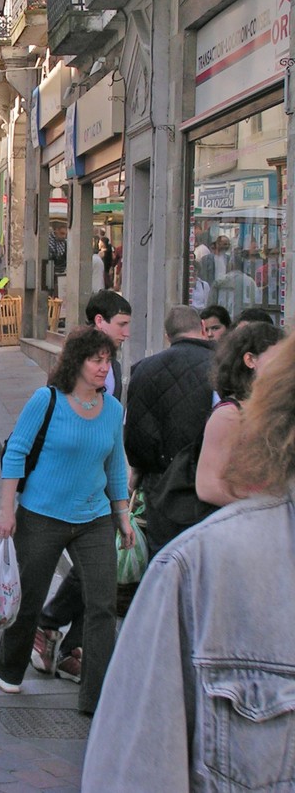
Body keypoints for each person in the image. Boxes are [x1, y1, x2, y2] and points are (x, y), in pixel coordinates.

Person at [81, 331, 295, 792]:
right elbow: (204, 483)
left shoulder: (141, 376)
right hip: (176, 515)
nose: (104, 367)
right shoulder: (196, 569)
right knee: (99, 596)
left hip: (155, 500)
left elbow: (133, 442)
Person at [0, 326, 133, 714]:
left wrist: (122, 518)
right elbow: (16, 452)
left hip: (94, 518)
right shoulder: (47, 400)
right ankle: (11, 669)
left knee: (103, 606)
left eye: (108, 360)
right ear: (77, 362)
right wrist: (7, 509)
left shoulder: (113, 410)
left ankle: (95, 697)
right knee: (29, 600)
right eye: (96, 360)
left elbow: (115, 467)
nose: (105, 368)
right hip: (42, 514)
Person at [31, 290, 132, 683]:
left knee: (100, 575)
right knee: (94, 573)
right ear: (99, 323)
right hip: (66, 492)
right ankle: (54, 629)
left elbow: (111, 428)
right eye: (121, 324)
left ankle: (70, 642)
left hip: (101, 486)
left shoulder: (114, 367)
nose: (126, 332)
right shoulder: (76, 361)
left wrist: (120, 495)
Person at [124, 305, 214, 555]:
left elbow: (135, 436)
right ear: (203, 328)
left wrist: (138, 473)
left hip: (161, 483)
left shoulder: (143, 370)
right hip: (209, 483)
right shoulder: (222, 367)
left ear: (167, 335)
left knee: (164, 559)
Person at [195, 321, 283, 507]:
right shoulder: (229, 415)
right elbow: (207, 487)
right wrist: (259, 507)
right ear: (250, 360)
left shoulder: (275, 410)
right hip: (247, 524)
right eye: (277, 357)